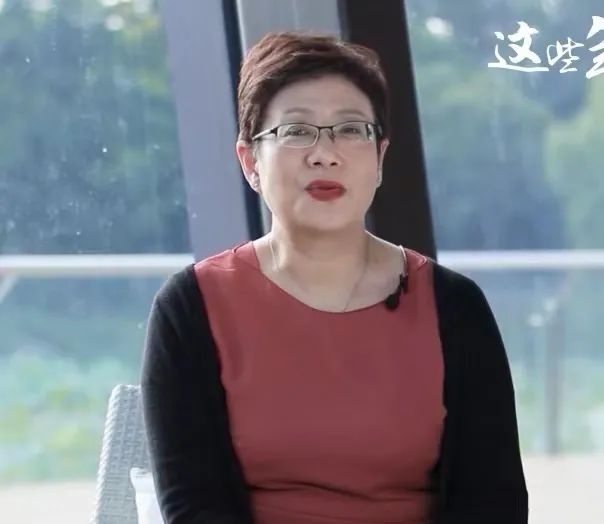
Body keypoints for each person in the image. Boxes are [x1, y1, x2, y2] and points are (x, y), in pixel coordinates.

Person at [141, 31, 528, 524]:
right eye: (296, 131)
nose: (325, 153)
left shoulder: (453, 305)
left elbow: (494, 503)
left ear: (380, 157)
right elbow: (195, 508)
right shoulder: (191, 306)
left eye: (350, 130)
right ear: (250, 161)